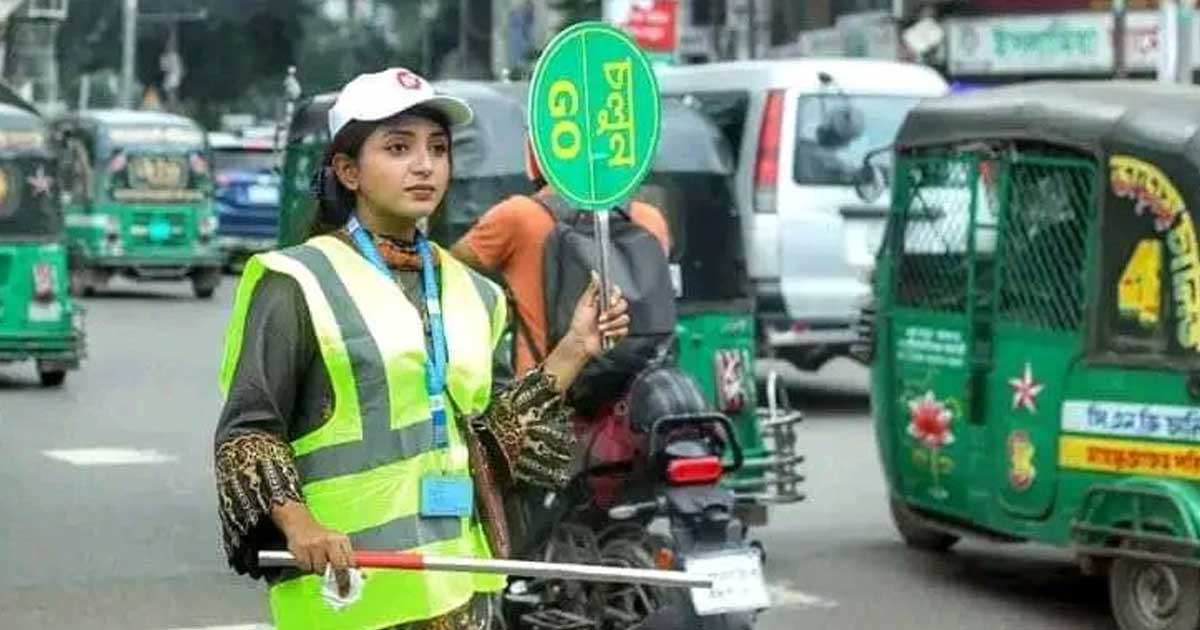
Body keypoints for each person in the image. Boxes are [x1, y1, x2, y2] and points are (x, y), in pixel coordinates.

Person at [212, 67, 630, 630]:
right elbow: (248, 432)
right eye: (398, 147)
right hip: (349, 597)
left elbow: (490, 440)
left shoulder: (476, 292)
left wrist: (575, 348)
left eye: (438, 148)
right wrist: (299, 523)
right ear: (348, 170)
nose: (424, 164)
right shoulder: (294, 281)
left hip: (458, 593)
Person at [450, 139, 669, 377]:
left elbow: (451, 269)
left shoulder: (518, 215)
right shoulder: (649, 219)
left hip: (546, 390)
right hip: (636, 391)